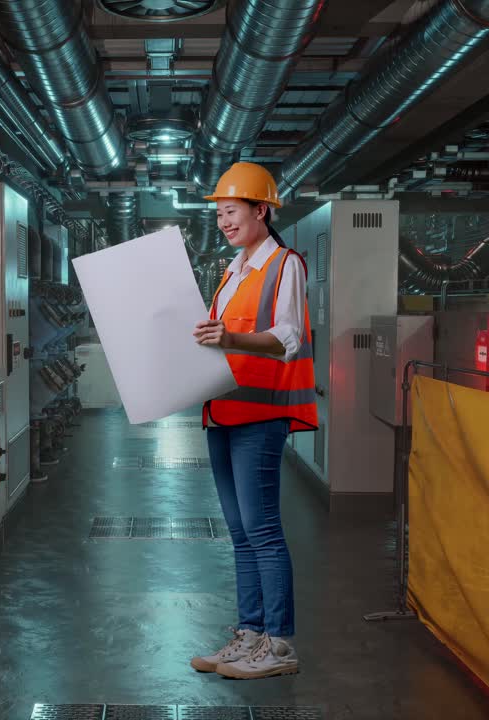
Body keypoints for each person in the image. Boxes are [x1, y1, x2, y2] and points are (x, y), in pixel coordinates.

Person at [189, 162, 318, 680]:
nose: (224, 221)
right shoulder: (232, 270)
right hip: (223, 410)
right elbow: (218, 339)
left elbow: (287, 338)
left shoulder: (285, 264)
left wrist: (230, 338)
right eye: (219, 213)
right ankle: (249, 634)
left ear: (261, 210)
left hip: (260, 415)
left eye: (231, 211)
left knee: (262, 530)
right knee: (240, 532)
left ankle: (279, 645)